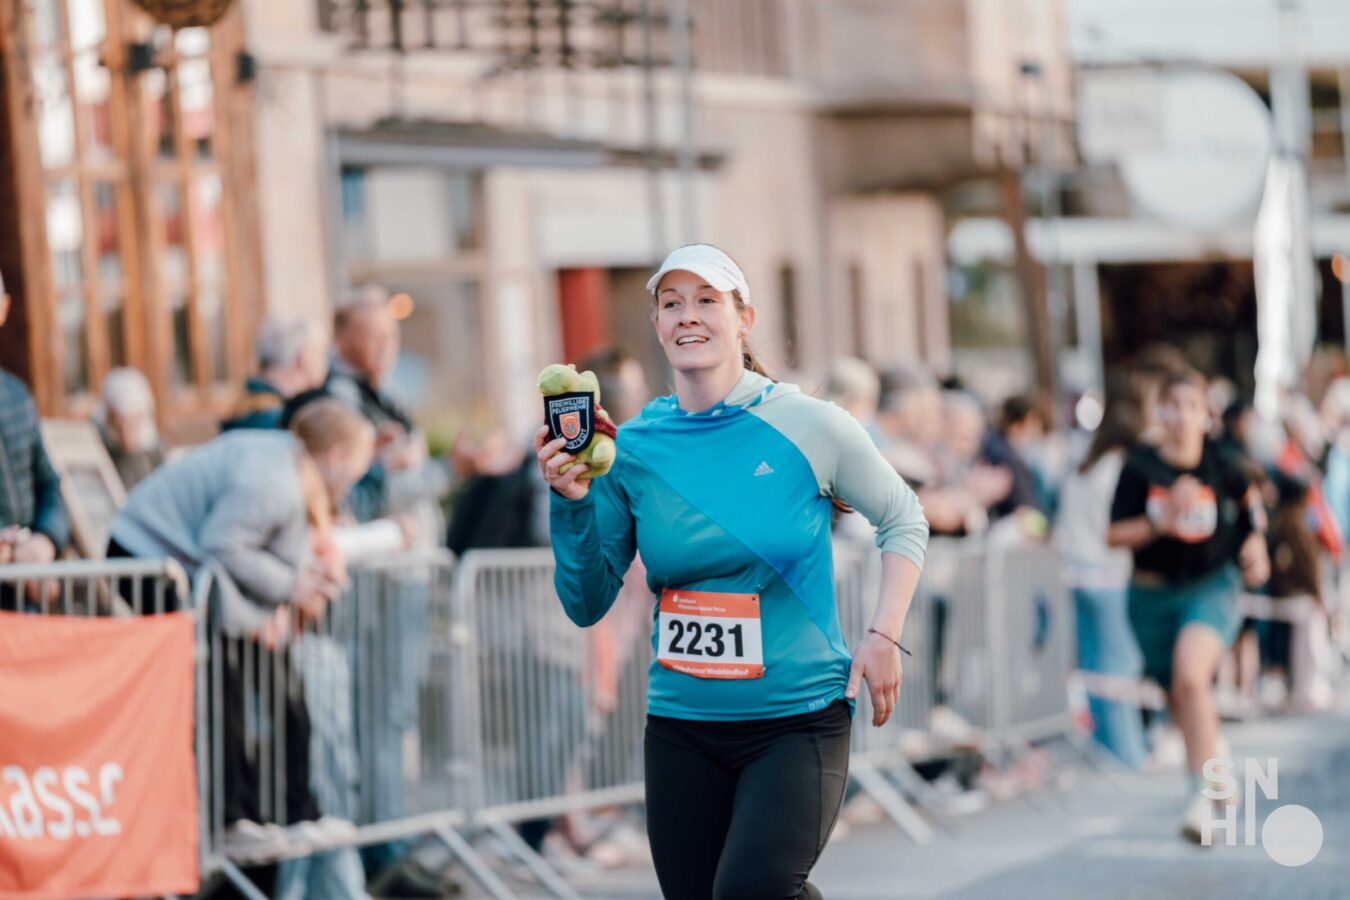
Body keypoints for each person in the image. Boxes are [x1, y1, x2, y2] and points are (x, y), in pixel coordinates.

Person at [536, 244, 929, 900]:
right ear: (658, 325)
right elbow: (586, 602)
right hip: (682, 726)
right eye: (671, 304)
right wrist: (571, 502)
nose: (687, 315)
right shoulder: (633, 447)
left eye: (706, 300)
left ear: (744, 318)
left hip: (797, 719)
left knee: (752, 892)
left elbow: (904, 518)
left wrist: (884, 635)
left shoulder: (811, 424)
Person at [1108, 367, 1270, 843]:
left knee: (1191, 677)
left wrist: (1256, 542)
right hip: (1151, 595)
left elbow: (1252, 501)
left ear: (1206, 415)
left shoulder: (1223, 461)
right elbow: (1113, 534)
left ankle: (1201, 796)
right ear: (1160, 412)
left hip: (1210, 586)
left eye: (1192, 406)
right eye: (1173, 406)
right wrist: (1162, 518)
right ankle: (1216, 758)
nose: (1182, 416)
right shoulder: (1140, 466)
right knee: (1179, 694)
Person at [1055, 384, 1149, 768]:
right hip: (1109, 575)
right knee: (1118, 668)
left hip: (1076, 573)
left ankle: (1104, 750)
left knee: (1095, 669)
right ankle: (1128, 753)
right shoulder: (1120, 468)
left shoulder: (1083, 467)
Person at [0, 268, 70, 605]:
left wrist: (45, 541)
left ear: (3, 309)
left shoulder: (16, 394)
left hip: (24, 594)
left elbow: (49, 483)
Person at [221, 314, 329, 431]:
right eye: (321, 353)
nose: (326, 362)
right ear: (303, 358)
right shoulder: (279, 418)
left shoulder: (243, 404)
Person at [94, 367, 165, 491]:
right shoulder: (101, 446)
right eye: (120, 423)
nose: (126, 432)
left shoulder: (154, 450)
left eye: (132, 423)